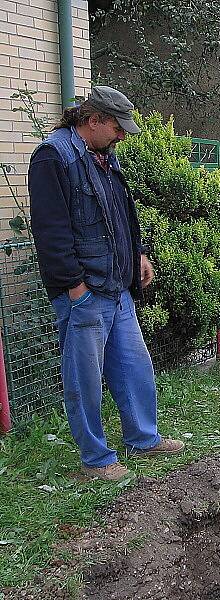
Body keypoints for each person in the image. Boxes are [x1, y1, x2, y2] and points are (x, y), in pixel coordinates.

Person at [28, 86, 185, 482]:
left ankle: (143, 439)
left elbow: (120, 217)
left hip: (116, 289)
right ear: (93, 119)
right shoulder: (54, 157)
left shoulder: (104, 159)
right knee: (84, 381)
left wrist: (139, 254)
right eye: (116, 127)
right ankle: (95, 460)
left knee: (135, 367)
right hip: (83, 294)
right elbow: (51, 232)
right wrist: (74, 288)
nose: (121, 136)